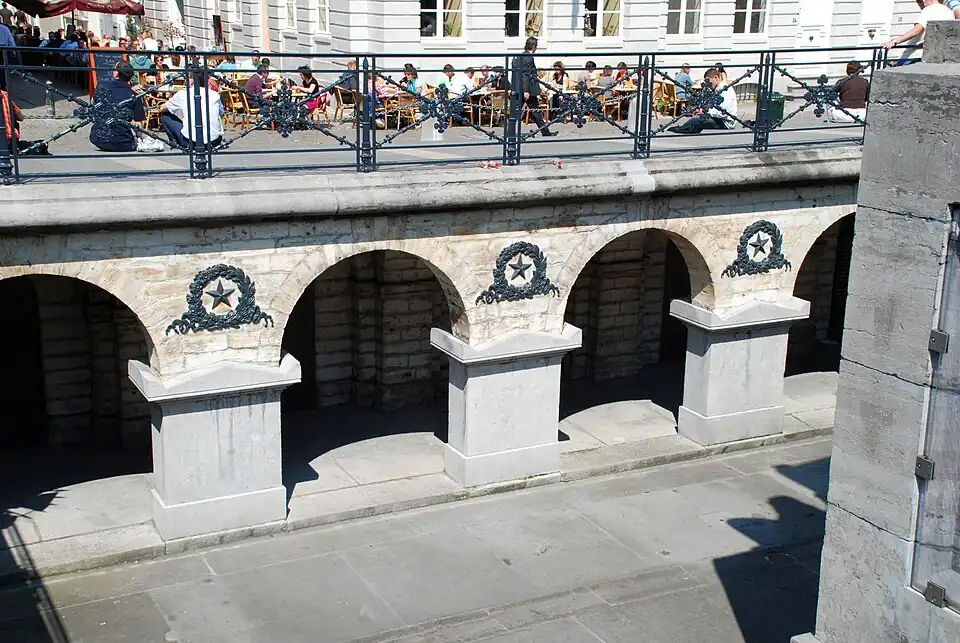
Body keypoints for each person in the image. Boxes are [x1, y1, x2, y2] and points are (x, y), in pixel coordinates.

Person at [89, 61, 146, 152]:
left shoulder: (102, 86)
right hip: (123, 143)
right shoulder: (134, 96)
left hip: (98, 138)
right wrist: (141, 140)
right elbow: (138, 124)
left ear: (116, 73)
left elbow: (92, 104)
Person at [160, 72, 224, 149]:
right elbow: (221, 112)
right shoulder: (214, 94)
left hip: (190, 142)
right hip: (214, 141)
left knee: (165, 117)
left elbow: (163, 108)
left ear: (191, 80)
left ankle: (175, 143)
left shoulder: (182, 94)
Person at [668, 67, 737, 135]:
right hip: (721, 119)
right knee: (699, 117)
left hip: (726, 122)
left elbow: (722, 113)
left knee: (698, 119)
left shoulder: (725, 90)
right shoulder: (717, 89)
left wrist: (704, 111)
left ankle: (684, 128)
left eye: (708, 80)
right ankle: (689, 127)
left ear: (716, 77)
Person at [511, 36, 556, 137]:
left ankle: (545, 132)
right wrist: (526, 90)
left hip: (518, 89)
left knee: (532, 112)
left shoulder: (519, 56)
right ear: (534, 46)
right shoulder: (529, 57)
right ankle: (511, 133)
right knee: (531, 112)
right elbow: (526, 75)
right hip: (527, 90)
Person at [884, 0, 954, 64]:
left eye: (918, 1)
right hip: (937, 56)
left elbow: (916, 31)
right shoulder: (949, 12)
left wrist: (895, 41)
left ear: (923, 1)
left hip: (914, 55)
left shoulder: (928, 10)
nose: (919, 5)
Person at [0, 21, 14, 92]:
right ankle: (3, 88)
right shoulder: (5, 29)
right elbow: (11, 41)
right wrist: (13, 51)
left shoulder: (5, 28)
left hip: (3, 51)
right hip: (3, 52)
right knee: (3, 70)